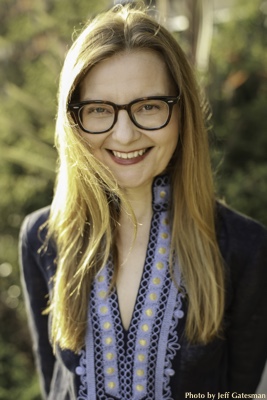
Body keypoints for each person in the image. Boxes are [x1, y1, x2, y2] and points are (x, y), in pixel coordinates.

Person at [19, 4, 267, 400]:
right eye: (99, 110)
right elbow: (54, 387)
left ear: (181, 112)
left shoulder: (244, 248)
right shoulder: (42, 237)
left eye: (148, 106)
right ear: (73, 122)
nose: (124, 135)